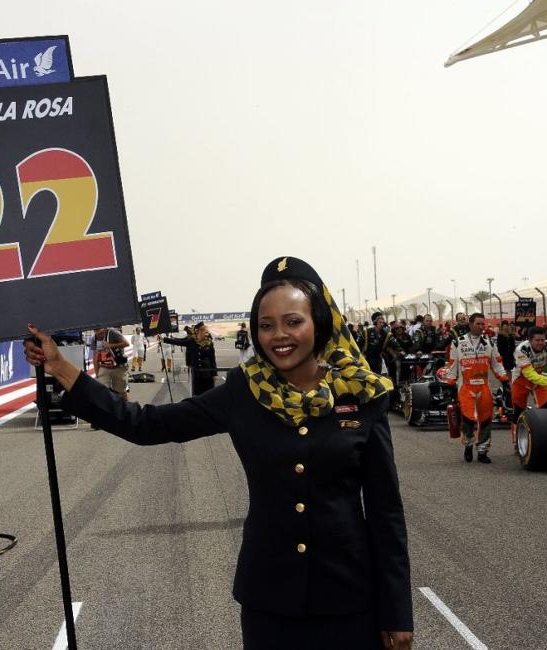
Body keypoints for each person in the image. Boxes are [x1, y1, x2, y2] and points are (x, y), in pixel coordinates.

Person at [24, 256, 413, 649]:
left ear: (319, 323)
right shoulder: (243, 392)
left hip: (349, 602)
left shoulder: (362, 396)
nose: (279, 335)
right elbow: (147, 425)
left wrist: (397, 613)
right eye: (266, 325)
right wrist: (63, 369)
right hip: (269, 604)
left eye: (293, 321)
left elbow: (386, 513)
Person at [446, 313, 508, 464]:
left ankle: (482, 451)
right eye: (478, 324)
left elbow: (497, 363)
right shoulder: (458, 342)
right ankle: (468, 445)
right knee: (468, 419)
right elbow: (453, 364)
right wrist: (450, 383)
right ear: (471, 324)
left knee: (486, 419)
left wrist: (504, 379)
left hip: (484, 386)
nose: (481, 327)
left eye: (483, 324)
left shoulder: (489, 343)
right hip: (465, 386)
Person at [510, 326, 547, 429]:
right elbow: (529, 374)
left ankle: (543, 433)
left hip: (540, 379)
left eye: (543, 340)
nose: (540, 343)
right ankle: (516, 440)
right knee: (518, 411)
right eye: (537, 340)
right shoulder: (521, 349)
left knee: (544, 409)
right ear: (530, 340)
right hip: (521, 381)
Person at [163, 321, 218, 396]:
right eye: (205, 332)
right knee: (197, 394)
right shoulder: (191, 341)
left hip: (207, 372)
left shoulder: (209, 343)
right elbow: (178, 342)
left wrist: (214, 373)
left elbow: (212, 358)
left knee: (209, 394)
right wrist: (164, 339)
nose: (207, 334)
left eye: (207, 332)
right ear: (199, 332)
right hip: (197, 373)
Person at [92, 325, 130, 398]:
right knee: (103, 392)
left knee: (121, 392)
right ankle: (109, 408)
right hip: (104, 368)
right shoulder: (94, 338)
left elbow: (126, 343)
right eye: (96, 331)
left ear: (104, 327)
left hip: (119, 367)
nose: (99, 334)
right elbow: (95, 356)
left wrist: (110, 345)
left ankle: (126, 408)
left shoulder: (112, 332)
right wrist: (97, 373)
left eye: (100, 331)